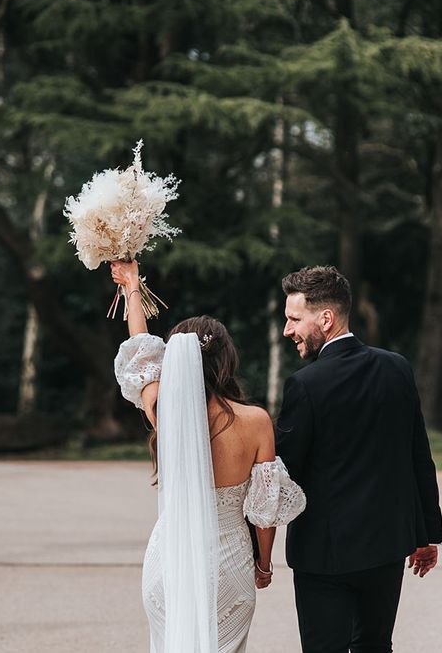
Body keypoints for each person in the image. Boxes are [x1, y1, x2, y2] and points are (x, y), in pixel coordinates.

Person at [110, 260, 306, 653]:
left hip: (169, 563)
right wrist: (263, 565)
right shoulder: (255, 422)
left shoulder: (163, 409)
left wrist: (132, 284)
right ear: (226, 360)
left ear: (176, 364)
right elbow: (264, 512)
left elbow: (141, 349)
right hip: (228, 565)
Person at [275, 265, 442, 653]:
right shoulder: (396, 368)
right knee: (375, 646)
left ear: (327, 318)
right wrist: (426, 535)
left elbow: (285, 476)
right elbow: (420, 456)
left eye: (294, 319)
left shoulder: (304, 385)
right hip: (387, 547)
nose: (288, 331)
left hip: (323, 555)